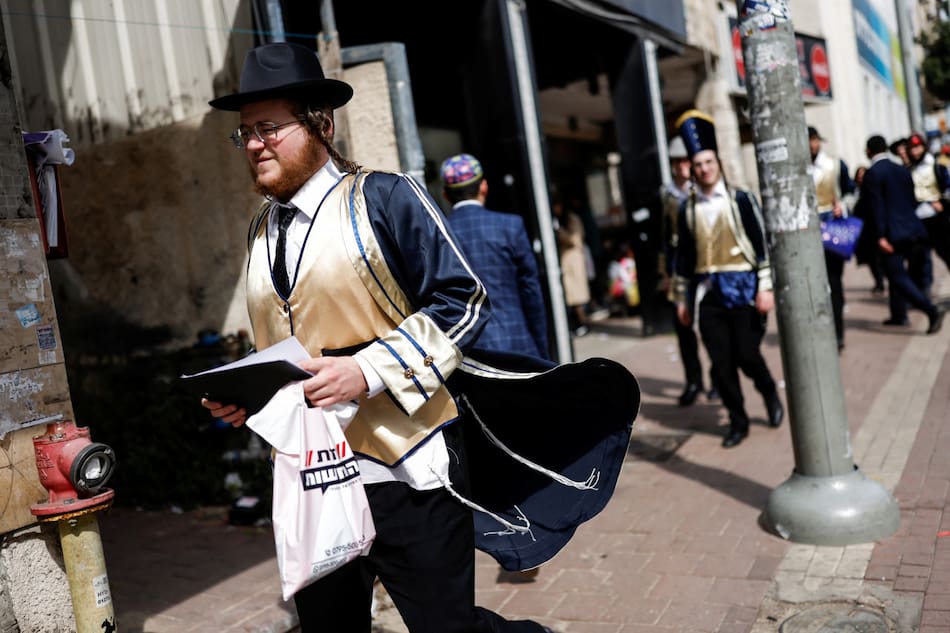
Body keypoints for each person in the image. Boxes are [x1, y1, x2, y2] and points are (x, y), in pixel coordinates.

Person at [201, 41, 638, 633]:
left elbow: (464, 301)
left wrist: (367, 371)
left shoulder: (384, 197)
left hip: (408, 472)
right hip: (312, 485)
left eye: (269, 128)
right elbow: (285, 341)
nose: (253, 144)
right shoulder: (261, 229)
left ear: (320, 125)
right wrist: (250, 396)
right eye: (245, 132)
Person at [671, 109, 783, 448]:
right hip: (709, 296)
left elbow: (761, 243)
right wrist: (681, 299)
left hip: (744, 291)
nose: (704, 169)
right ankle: (738, 421)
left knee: (747, 356)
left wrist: (765, 287)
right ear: (692, 168)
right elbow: (684, 257)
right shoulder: (686, 208)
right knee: (721, 364)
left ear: (717, 162)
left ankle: (770, 395)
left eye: (708, 162)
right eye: (698, 164)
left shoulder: (740, 199)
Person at [440, 153, 549, 360]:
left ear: (445, 195)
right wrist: (542, 349)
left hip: (469, 353)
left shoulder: (440, 234)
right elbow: (531, 291)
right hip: (518, 343)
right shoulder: (510, 226)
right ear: (484, 187)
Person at [862, 134, 945, 334]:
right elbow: (911, 199)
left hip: (891, 234)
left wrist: (881, 236)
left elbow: (877, 208)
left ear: (869, 151)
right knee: (900, 272)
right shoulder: (901, 169)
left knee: (896, 275)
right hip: (913, 228)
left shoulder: (873, 173)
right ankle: (899, 314)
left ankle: (931, 310)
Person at [659, 135, 717, 405]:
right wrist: (666, 275)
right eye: (677, 161)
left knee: (711, 326)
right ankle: (693, 381)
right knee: (683, 331)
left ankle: (718, 379)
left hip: (704, 267)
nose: (682, 165)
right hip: (679, 269)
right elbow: (663, 238)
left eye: (686, 160)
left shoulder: (703, 189)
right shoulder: (667, 193)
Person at [808, 126, 855, 351]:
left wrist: (843, 205)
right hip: (808, 233)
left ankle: (838, 334)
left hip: (833, 228)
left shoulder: (835, 164)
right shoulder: (797, 168)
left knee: (834, 282)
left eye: (813, 140)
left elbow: (851, 191)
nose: (810, 145)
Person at [907, 132, 950, 295]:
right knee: (921, 258)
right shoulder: (909, 169)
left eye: (917, 147)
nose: (915, 152)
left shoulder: (937, 166)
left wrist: (942, 203)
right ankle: (924, 293)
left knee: (946, 252)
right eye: (912, 148)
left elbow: (947, 187)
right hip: (918, 220)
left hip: (938, 219)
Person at [552, 195, 591, 336]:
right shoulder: (563, 219)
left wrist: (559, 231)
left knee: (577, 297)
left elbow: (574, 239)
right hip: (567, 261)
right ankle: (579, 325)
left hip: (574, 260)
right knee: (572, 297)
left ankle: (583, 324)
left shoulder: (572, 219)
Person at [851, 165, 887, 295]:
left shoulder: (873, 191)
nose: (861, 178)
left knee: (879, 259)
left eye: (863, 175)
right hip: (862, 231)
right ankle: (879, 282)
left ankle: (882, 281)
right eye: (858, 176)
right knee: (872, 260)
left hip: (874, 230)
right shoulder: (854, 192)